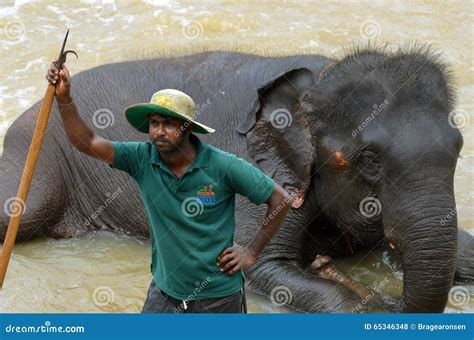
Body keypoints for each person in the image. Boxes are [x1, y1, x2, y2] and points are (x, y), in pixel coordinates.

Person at [46, 60, 293, 313]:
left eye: (169, 124)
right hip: (165, 293)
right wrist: (64, 98)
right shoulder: (141, 158)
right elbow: (86, 142)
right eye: (154, 123)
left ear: (187, 128)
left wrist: (252, 251)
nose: (159, 132)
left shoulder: (224, 166)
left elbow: (281, 200)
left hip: (218, 297)